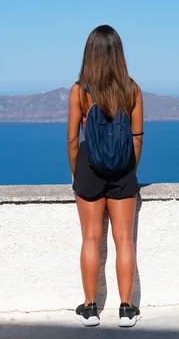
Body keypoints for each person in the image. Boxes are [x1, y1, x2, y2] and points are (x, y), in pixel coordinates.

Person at [67, 25, 144, 328]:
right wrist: (130, 170)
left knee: (90, 239)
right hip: (123, 171)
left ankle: (90, 308)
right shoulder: (132, 89)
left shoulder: (80, 91)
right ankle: (126, 309)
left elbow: (73, 139)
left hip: (89, 170)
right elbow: (137, 137)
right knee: (124, 240)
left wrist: (77, 171)